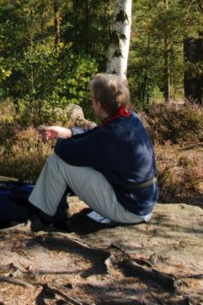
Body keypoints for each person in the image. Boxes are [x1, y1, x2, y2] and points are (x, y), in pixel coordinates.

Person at [28, 73, 158, 231]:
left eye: (92, 99)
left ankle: (44, 219)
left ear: (99, 104)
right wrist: (67, 132)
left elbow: (65, 151)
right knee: (68, 161)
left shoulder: (111, 135)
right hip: (140, 202)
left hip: (128, 209)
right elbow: (96, 134)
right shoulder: (130, 119)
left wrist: (61, 140)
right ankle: (56, 211)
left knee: (58, 162)